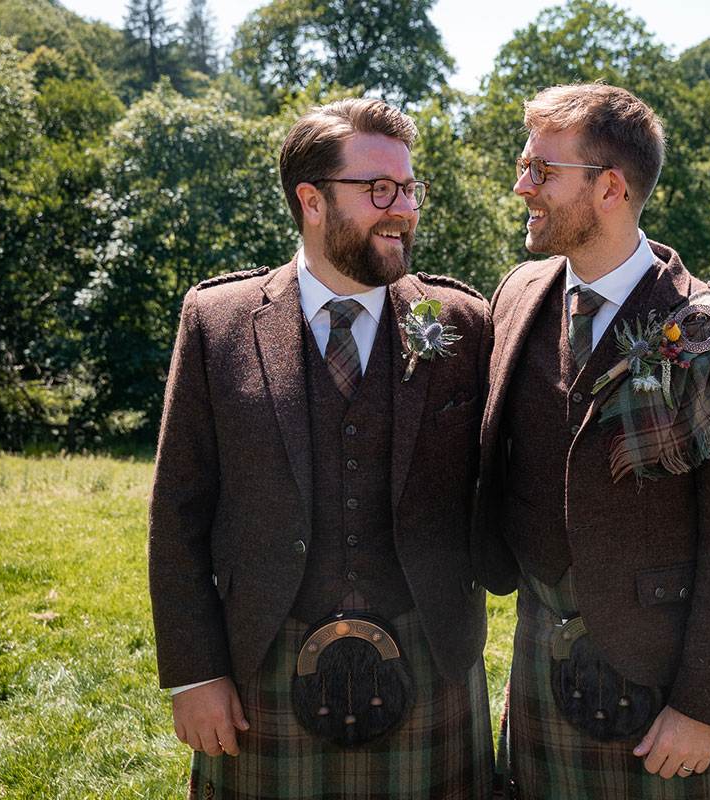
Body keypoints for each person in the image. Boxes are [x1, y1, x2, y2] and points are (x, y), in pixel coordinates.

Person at [473, 83, 710, 798]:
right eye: (523, 165)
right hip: (541, 661)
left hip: (667, 683)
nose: (521, 186)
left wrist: (701, 706)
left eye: (542, 171)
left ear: (609, 187)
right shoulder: (517, 294)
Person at [148, 98, 493, 800]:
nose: (403, 209)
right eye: (379, 190)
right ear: (311, 199)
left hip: (432, 656)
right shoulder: (216, 322)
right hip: (260, 663)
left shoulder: (460, 320)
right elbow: (178, 510)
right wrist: (194, 672)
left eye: (410, 189)